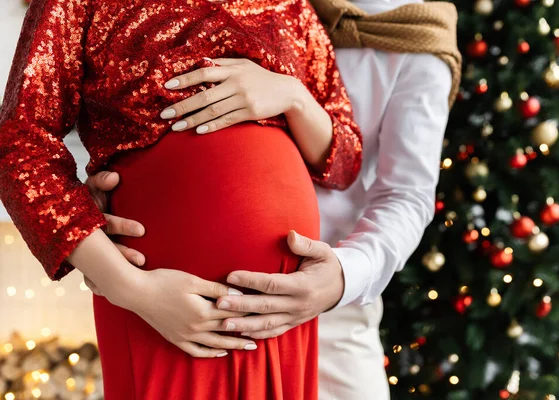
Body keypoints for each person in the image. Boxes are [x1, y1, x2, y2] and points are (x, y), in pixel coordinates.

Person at [87, 0, 460, 398]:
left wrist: (342, 278)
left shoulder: (418, 34)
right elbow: (111, 107)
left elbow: (406, 195)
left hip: (332, 307)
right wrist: (92, 206)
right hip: (181, 296)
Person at [0, 0, 362, 399]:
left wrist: (294, 96)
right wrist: (131, 288)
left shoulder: (293, 7)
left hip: (280, 307)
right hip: (158, 301)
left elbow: (344, 162)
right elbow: (20, 146)